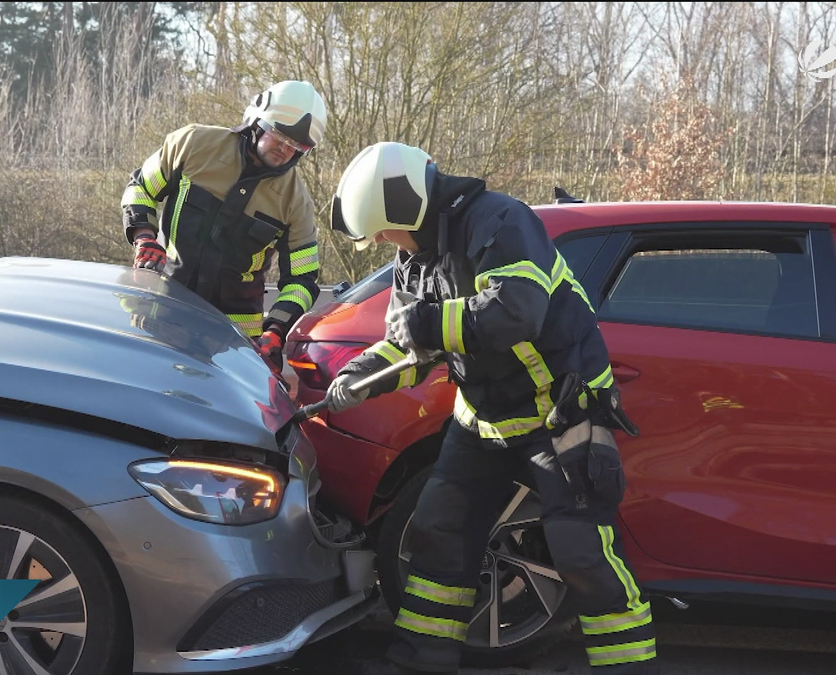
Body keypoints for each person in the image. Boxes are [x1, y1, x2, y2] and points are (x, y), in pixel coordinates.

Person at [326, 142, 657, 674]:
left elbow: (514, 313)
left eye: (385, 231)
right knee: (440, 532)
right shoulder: (412, 259)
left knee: (580, 550)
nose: (385, 243)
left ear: (408, 208)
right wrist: (362, 375)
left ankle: (628, 667)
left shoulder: (500, 222)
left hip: (560, 414)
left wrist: (427, 327)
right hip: (480, 420)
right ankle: (420, 658)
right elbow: (411, 346)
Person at [120, 81, 326, 371]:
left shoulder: (296, 203)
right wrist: (144, 238)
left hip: (233, 345)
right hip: (159, 316)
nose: (285, 149)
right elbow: (140, 188)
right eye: (280, 135)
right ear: (256, 121)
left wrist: (276, 329)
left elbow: (302, 281)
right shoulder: (192, 145)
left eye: (297, 146)